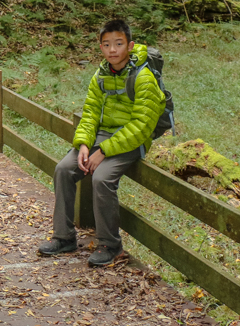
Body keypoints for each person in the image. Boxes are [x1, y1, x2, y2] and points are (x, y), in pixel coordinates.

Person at [37, 19, 165, 266]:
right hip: (101, 138)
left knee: (101, 178)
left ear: (130, 46)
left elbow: (141, 126)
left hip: (131, 141)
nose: (112, 50)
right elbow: (90, 114)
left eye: (118, 44)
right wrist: (84, 144)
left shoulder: (144, 78)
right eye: (106, 45)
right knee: (63, 169)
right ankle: (63, 237)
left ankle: (110, 244)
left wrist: (103, 151)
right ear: (101, 48)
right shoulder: (101, 74)